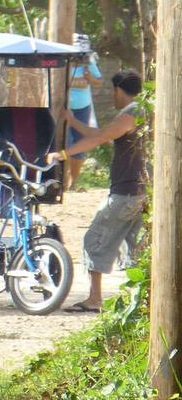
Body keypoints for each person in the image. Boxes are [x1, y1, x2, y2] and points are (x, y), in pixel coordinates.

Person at [47, 69, 148, 312]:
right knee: (135, 249)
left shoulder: (130, 114)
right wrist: (72, 121)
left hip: (125, 194)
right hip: (139, 193)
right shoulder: (141, 112)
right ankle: (143, 303)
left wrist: (62, 154)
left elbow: (100, 137)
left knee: (94, 239)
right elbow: (102, 135)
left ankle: (94, 299)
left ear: (117, 90)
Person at [64, 35, 104, 190]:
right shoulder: (65, 62)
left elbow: (99, 82)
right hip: (65, 107)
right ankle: (62, 179)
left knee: (80, 143)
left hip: (82, 107)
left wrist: (90, 78)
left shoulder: (89, 63)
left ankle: (73, 182)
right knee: (65, 142)